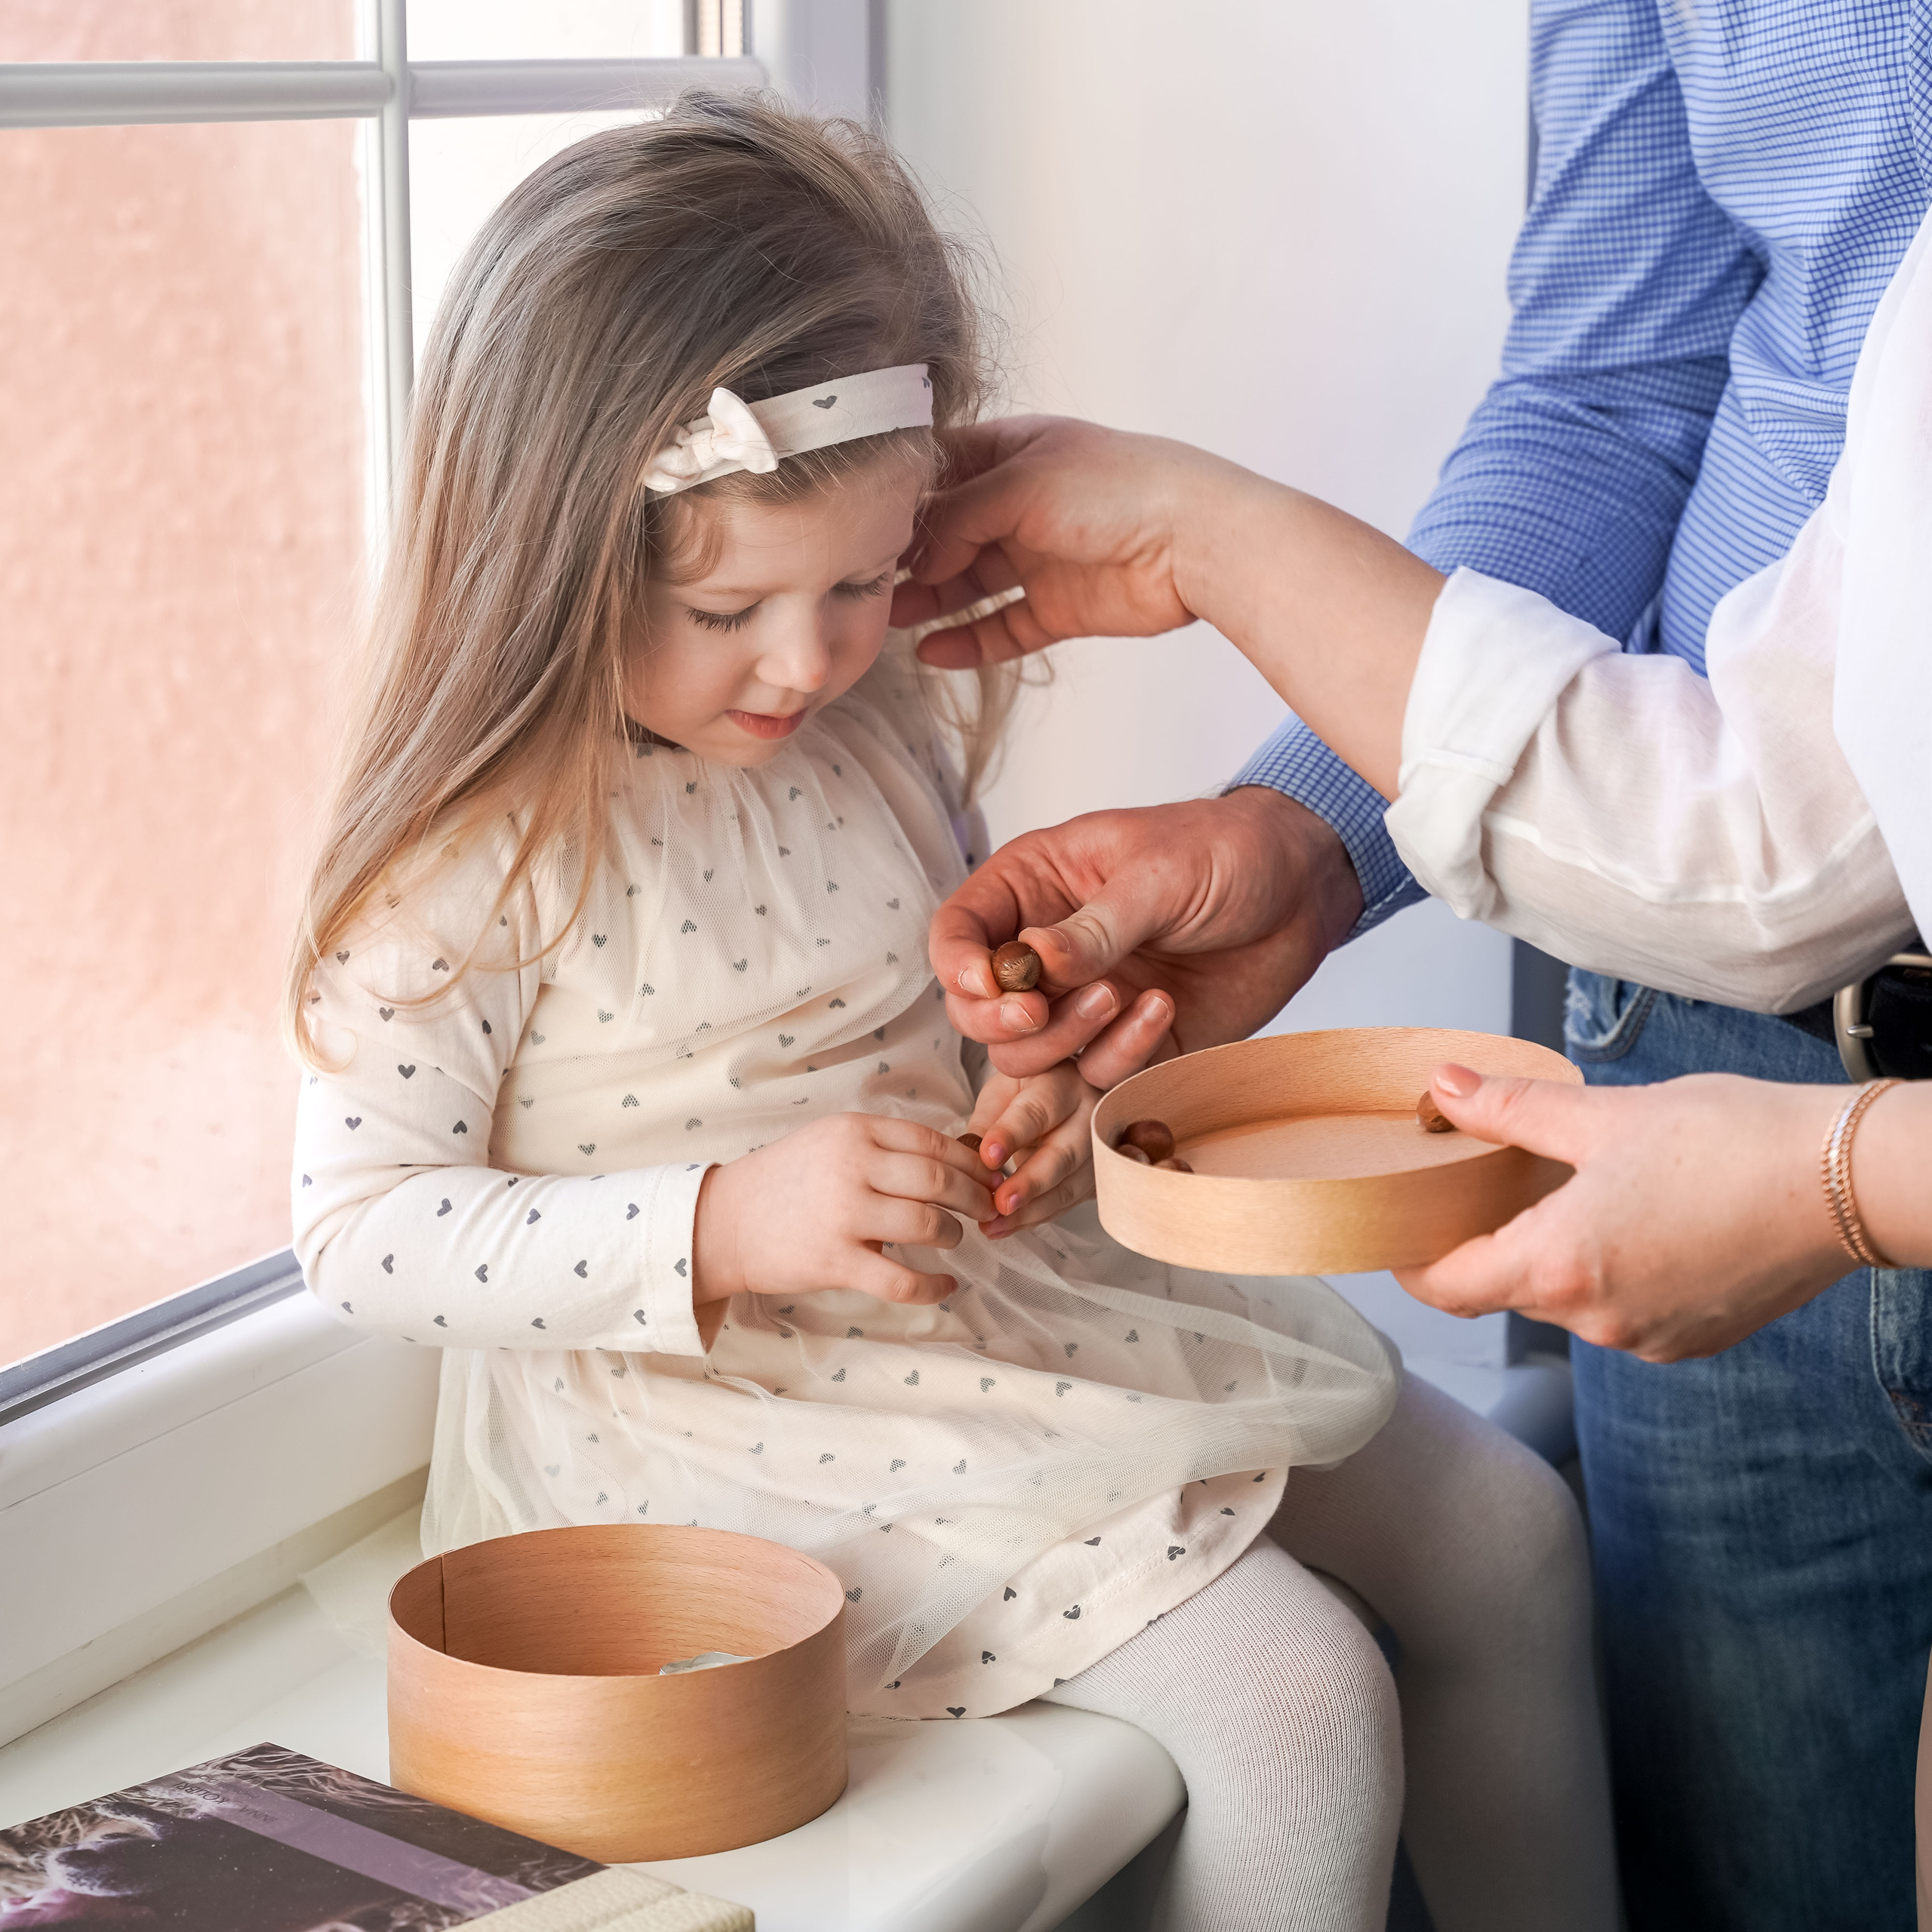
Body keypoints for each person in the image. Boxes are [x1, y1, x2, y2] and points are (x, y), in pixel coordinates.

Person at [282, 97, 1618, 1932]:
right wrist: (733, 1219)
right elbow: (361, 1232)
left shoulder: (863, 717)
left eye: (859, 582)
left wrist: (1026, 1074)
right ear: (547, 553)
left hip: (1013, 1319)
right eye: (731, 602)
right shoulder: (472, 863)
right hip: (737, 1415)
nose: (811, 658)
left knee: (1514, 1539)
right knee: (1298, 1703)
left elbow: (931, 1017)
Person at [894, 8, 1932, 1924]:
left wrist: (1208, 539)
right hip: (1705, 1055)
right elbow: (1611, 405)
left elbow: (1779, 841)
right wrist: (1302, 837)